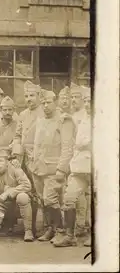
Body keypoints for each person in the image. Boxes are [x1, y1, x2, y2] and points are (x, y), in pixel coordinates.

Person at [31, 90, 75, 243]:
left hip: (53, 168)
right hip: (38, 168)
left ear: (55, 102)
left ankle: (62, 230)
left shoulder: (63, 120)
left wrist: (61, 168)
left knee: (51, 200)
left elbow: (67, 147)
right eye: (43, 103)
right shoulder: (40, 120)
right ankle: (51, 229)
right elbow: (37, 144)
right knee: (43, 200)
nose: (45, 106)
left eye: (48, 102)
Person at [54, 86, 92, 248]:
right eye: (86, 101)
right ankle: (70, 236)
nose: (88, 104)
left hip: (97, 167)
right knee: (69, 199)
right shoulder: (81, 117)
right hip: (79, 167)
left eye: (91, 101)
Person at [0, 150, 34, 241]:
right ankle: (3, 225)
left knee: (23, 197)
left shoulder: (15, 169)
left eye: (1, 161)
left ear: (7, 162)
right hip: (3, 203)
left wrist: (9, 192)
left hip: (17, 202)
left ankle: (28, 230)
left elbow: (27, 185)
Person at [11, 81, 45, 187]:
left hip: (39, 157)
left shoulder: (45, 112)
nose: (28, 99)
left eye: (32, 95)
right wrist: (16, 154)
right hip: (23, 158)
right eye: (26, 96)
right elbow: (18, 135)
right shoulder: (23, 114)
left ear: (39, 96)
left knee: (40, 187)